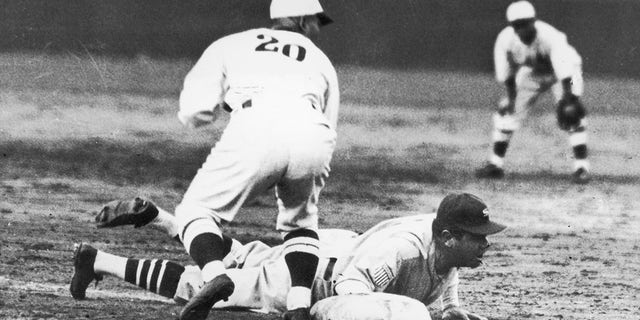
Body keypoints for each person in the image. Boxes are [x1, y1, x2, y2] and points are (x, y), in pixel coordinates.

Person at [72, 193, 506, 320]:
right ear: (449, 236)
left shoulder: (441, 248)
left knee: (242, 254)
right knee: (208, 286)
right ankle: (100, 262)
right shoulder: (400, 250)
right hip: (316, 274)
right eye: (479, 238)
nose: (486, 244)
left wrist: (454, 313)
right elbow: (348, 296)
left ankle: (163, 219)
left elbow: (446, 289)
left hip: (332, 250)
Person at [170, 0, 339, 319]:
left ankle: (214, 275)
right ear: (302, 18)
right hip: (314, 133)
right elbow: (329, 122)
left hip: (256, 126)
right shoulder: (321, 60)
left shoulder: (231, 43)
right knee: (301, 222)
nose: (317, 27)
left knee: (194, 211)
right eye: (317, 20)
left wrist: (219, 109)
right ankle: (299, 306)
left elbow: (195, 111)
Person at [475, 0, 590, 184]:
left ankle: (581, 167)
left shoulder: (551, 36)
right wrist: (512, 100)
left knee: (572, 112)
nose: (522, 30)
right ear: (512, 27)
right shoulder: (506, 40)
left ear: (533, 21)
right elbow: (508, 76)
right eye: (517, 26)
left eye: (525, 24)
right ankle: (495, 165)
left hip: (566, 71)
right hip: (533, 71)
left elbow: (565, 71)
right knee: (507, 113)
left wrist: (569, 99)